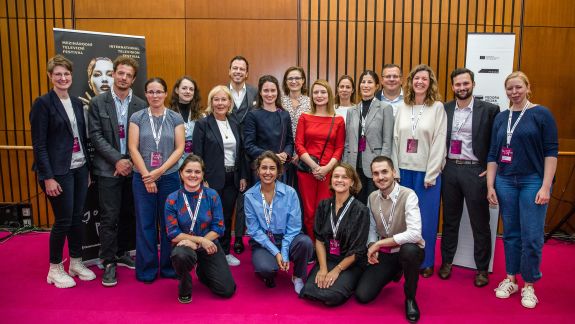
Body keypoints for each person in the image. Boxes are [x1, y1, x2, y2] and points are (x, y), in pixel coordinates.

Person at [487, 71, 558, 309]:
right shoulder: (502, 117)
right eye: (510, 89)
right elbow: (493, 154)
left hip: (532, 181)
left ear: (528, 87)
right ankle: (511, 279)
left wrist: (546, 186)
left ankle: (529, 284)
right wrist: (490, 185)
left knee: (532, 236)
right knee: (511, 234)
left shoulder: (541, 114)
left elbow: (551, 152)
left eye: (518, 87)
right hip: (505, 181)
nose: (514, 92)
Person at [30, 54, 96, 288]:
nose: (62, 77)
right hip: (57, 172)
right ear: (50, 76)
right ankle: (54, 268)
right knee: (63, 220)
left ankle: (76, 262)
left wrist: (87, 168)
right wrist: (47, 177)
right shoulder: (43, 104)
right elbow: (39, 144)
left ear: (71, 76)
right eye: (57, 74)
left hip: (79, 168)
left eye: (66, 74)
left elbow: (81, 137)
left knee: (77, 218)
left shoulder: (77, 103)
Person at [88, 56, 147, 286]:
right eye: (120, 73)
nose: (123, 78)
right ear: (114, 74)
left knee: (128, 214)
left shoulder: (141, 105)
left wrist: (130, 163)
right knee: (109, 217)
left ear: (133, 79)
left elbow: (144, 138)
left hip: (133, 169)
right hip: (108, 169)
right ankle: (109, 262)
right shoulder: (97, 103)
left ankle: (123, 252)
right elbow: (95, 135)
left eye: (128, 75)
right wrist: (117, 161)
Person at [439, 68, 500, 287]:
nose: (462, 88)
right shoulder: (444, 109)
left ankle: (482, 269)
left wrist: (493, 169)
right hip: (450, 169)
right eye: (458, 84)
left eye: (466, 83)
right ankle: (446, 262)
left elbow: (498, 142)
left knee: (480, 222)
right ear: (453, 86)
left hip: (476, 171)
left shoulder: (490, 110)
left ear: (473, 84)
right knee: (450, 221)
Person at [391, 64, 447, 278]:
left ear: (430, 83)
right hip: (403, 171)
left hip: (426, 174)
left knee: (426, 219)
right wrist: (395, 170)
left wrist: (432, 173)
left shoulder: (437, 108)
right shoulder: (402, 107)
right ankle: (403, 260)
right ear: (411, 82)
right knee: (403, 219)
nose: (420, 82)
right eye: (416, 78)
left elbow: (439, 141)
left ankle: (426, 261)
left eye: (424, 79)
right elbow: (395, 140)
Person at [128, 77, 185, 283]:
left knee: (169, 224)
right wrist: (147, 175)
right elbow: (132, 148)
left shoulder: (175, 117)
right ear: (145, 94)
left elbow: (180, 149)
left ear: (166, 93)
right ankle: (147, 270)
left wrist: (159, 171)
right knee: (145, 224)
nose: (155, 96)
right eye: (151, 92)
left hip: (169, 178)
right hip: (142, 178)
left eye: (159, 92)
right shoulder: (137, 117)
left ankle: (169, 267)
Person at [355, 156, 425, 322]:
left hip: (410, 250)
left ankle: (410, 298)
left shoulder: (409, 195)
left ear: (394, 172)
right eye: (376, 173)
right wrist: (372, 244)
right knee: (363, 295)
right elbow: (371, 228)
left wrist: (379, 243)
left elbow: (415, 233)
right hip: (387, 253)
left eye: (385, 171)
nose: (381, 177)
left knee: (409, 250)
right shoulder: (372, 197)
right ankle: (396, 269)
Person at [165, 155, 236, 303]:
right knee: (180, 255)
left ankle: (202, 271)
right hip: (184, 246)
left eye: (197, 172)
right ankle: (184, 285)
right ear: (181, 174)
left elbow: (219, 228)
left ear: (203, 174)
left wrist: (200, 243)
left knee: (227, 290)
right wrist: (199, 240)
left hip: (209, 245)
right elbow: (173, 233)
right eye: (188, 171)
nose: (193, 175)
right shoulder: (172, 199)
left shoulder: (212, 195)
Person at [192, 85, 248, 267]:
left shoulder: (235, 123)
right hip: (211, 179)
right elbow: (197, 154)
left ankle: (224, 252)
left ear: (230, 103)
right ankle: (207, 253)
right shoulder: (202, 124)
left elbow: (241, 153)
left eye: (224, 99)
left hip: (233, 177)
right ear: (211, 102)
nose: (220, 103)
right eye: (216, 99)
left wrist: (242, 176)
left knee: (226, 216)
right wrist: (202, 179)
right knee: (209, 217)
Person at [300, 163, 369, 306]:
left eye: (345, 177)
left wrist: (336, 271)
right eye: (336, 176)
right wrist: (324, 268)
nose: (339, 180)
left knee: (331, 296)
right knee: (309, 290)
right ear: (331, 180)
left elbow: (358, 250)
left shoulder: (361, 210)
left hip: (350, 262)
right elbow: (319, 240)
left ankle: (353, 281)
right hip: (328, 258)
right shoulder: (323, 205)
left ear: (352, 182)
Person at [245, 151, 313, 293]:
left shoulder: (290, 193)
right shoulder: (249, 196)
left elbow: (294, 227)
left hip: (287, 237)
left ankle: (298, 276)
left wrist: (284, 251)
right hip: (263, 241)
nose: (268, 172)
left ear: (278, 171)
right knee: (265, 268)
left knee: (305, 242)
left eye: (272, 168)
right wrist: (277, 253)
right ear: (258, 170)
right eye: (264, 168)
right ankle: (270, 273)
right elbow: (254, 230)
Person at [295, 80, 345, 240]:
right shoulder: (304, 117)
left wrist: (326, 168)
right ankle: (311, 247)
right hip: (307, 172)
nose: (319, 95)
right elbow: (299, 145)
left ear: (329, 95)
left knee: (325, 210)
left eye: (323, 92)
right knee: (309, 211)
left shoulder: (338, 120)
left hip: (328, 172)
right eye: (315, 92)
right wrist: (315, 167)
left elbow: (339, 148)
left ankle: (322, 247)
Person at [343, 70, 394, 204]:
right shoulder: (352, 110)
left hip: (375, 168)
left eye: (370, 82)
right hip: (354, 167)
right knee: (355, 204)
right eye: (363, 82)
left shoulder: (385, 108)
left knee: (373, 205)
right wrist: (346, 167)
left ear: (377, 86)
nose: (366, 85)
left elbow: (387, 141)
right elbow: (347, 142)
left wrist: (383, 168)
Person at [228, 55, 257, 254]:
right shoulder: (221, 93)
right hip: (227, 152)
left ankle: (240, 236)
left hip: (250, 153)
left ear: (247, 73)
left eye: (242, 69)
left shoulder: (256, 92)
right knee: (229, 197)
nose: (238, 72)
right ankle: (224, 237)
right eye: (234, 68)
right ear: (229, 71)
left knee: (246, 196)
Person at [244, 75, 294, 177]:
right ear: (260, 93)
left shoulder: (284, 114)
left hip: (281, 168)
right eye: (266, 90)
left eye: (273, 90)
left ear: (278, 92)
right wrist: (272, 156)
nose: (270, 94)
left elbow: (290, 141)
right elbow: (249, 146)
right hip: (261, 168)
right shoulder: (253, 115)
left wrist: (286, 153)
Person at [169, 76, 203, 165]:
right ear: (177, 90)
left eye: (191, 89)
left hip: (195, 163)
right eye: (184, 88)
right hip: (174, 163)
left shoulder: (201, 116)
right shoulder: (168, 115)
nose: (188, 91)